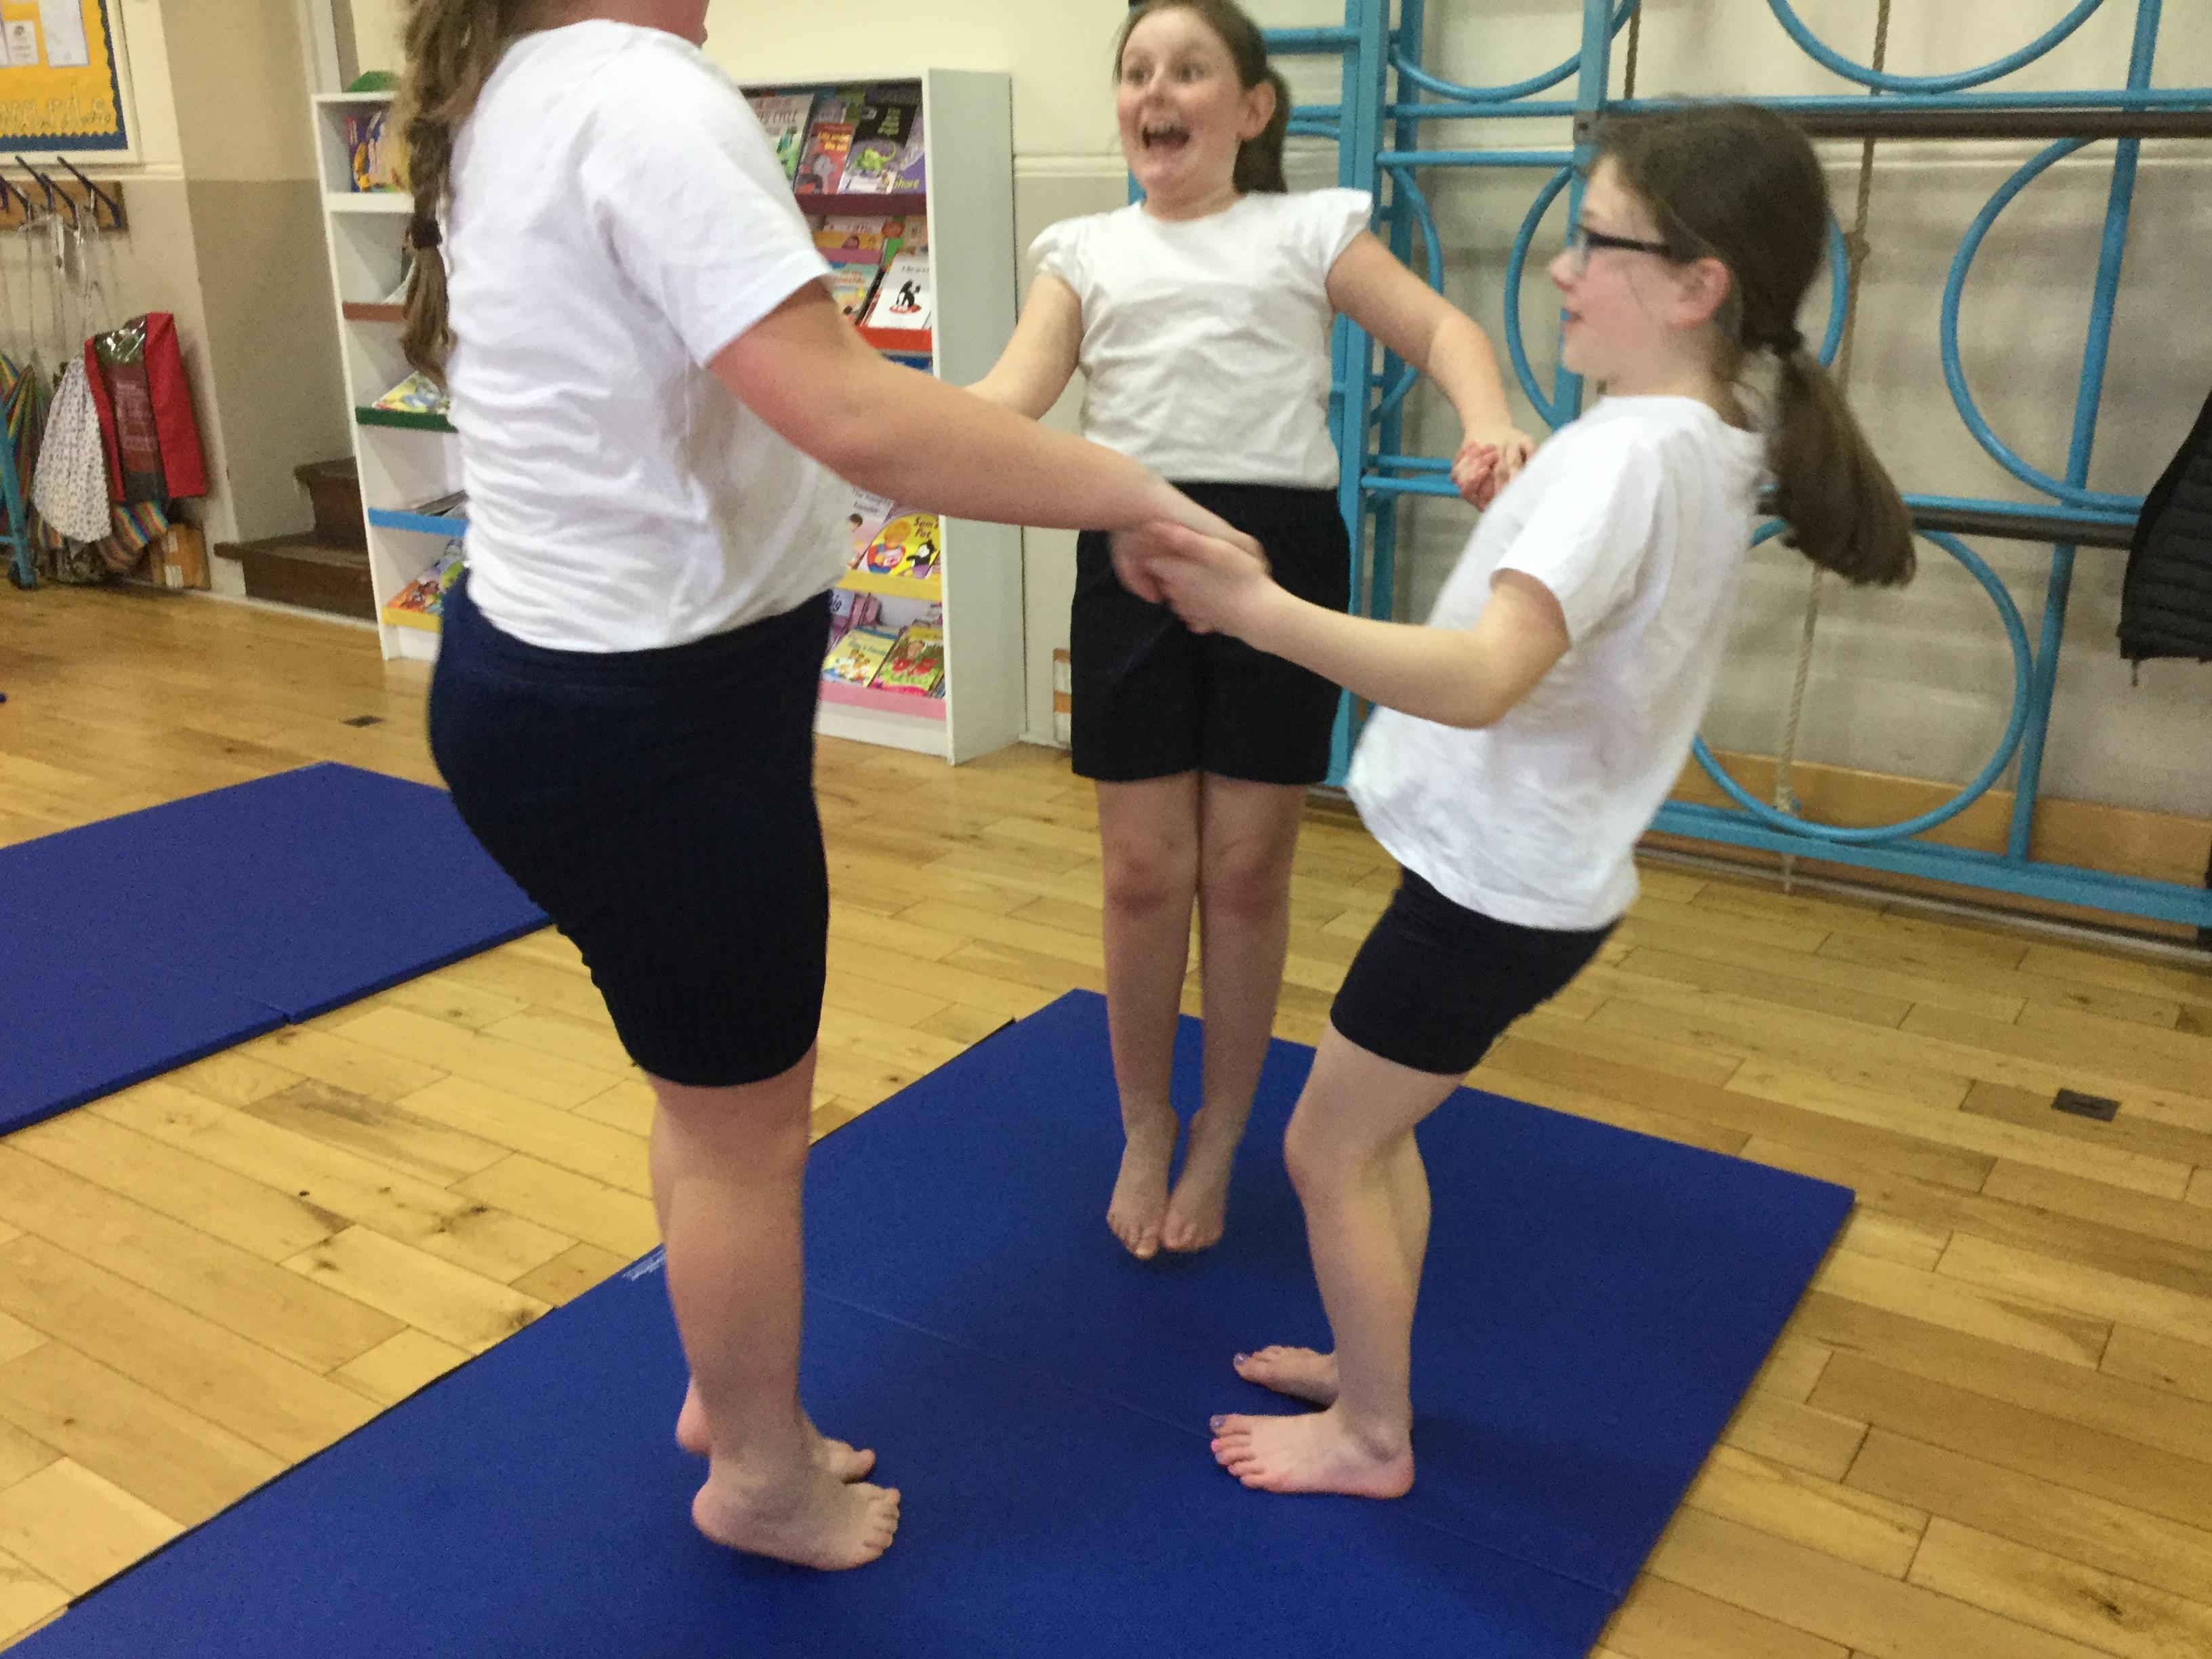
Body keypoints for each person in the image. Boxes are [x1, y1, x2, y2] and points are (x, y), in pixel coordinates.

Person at [400, 0, 1256, 1569]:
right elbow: (860, 420)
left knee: (701, 1097)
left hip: (551, 690)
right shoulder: (644, 98)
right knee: (746, 1137)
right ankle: (758, 1478)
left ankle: (727, 1396)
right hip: (648, 729)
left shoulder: (522, 84)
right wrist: (1135, 494)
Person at [1138, 103, 1916, 1497]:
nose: (1561, 266)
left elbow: (1486, 679)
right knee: (1373, 1137)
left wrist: (1259, 611)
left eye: (1597, 242)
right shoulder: (1701, 430)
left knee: (1327, 1149)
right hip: (1525, 877)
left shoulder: (1627, 457)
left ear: (1699, 285)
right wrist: (1533, 480)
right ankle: (1371, 1370)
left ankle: (1372, 1437)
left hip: (1496, 892)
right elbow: (1596, 567)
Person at [968, 0, 1536, 1263]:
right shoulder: (1083, 250)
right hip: (1134, 549)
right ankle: (1145, 1122)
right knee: (1141, 874)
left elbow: (1442, 329)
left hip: (1276, 559)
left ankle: (1224, 1126)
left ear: (1252, 108)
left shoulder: (1307, 227)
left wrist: (1486, 417)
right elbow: (1008, 399)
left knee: (1243, 871)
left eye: (1189, 70)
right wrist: (884, 427)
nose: (1156, 91)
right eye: (1136, 71)